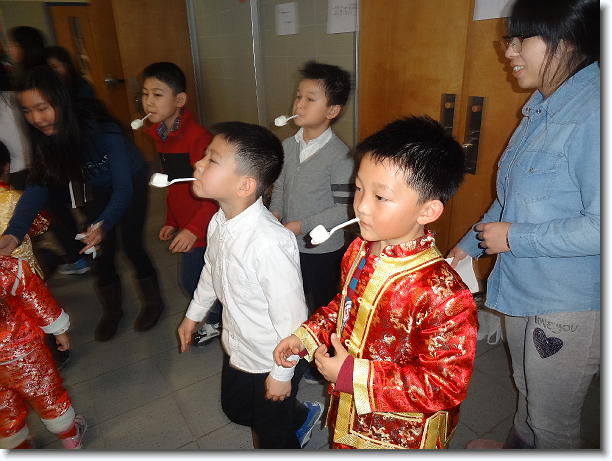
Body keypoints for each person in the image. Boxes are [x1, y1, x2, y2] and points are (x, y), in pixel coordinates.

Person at [448, 0, 599, 450]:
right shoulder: (541, 107)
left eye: (520, 39)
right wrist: (468, 246)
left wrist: (515, 237)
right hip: (524, 285)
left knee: (552, 420)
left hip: (570, 301)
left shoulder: (596, 112)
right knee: (525, 384)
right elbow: (511, 199)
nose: (509, 51)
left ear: (564, 40)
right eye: (508, 40)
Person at [274, 116, 478, 449]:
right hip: (351, 412)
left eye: (380, 197)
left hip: (400, 436)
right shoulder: (359, 250)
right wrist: (306, 335)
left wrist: (351, 374)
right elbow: (344, 307)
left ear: (427, 211)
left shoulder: (444, 294)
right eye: (358, 189)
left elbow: (445, 385)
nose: (361, 206)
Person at [177, 122, 322, 449]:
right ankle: (300, 415)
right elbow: (211, 269)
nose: (198, 163)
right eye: (205, 155)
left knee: (272, 437)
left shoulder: (269, 243)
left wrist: (281, 375)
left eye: (212, 160)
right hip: (239, 344)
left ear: (244, 185)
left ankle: (291, 422)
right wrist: (193, 314)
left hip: (273, 356)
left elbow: (293, 321)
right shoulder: (218, 221)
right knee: (237, 409)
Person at [0, 65, 166, 342]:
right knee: (100, 251)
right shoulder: (46, 139)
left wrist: (104, 223)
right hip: (98, 187)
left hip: (130, 182)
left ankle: (153, 302)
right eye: (28, 111)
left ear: (60, 101)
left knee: (132, 244)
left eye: (42, 108)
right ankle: (113, 309)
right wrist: (14, 233)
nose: (36, 118)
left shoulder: (101, 129)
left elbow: (123, 188)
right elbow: (37, 187)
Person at [269, 61, 354, 383]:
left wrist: (298, 225)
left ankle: (323, 360)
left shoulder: (340, 156)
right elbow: (279, 187)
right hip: (289, 243)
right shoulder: (287, 146)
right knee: (293, 299)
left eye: (310, 99)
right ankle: (297, 348)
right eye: (298, 97)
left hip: (322, 249)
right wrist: (276, 214)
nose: (299, 105)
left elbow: (344, 209)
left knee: (322, 306)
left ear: (332, 110)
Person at [141, 62, 221, 345]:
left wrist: (192, 230)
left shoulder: (198, 139)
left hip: (204, 225)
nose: (149, 101)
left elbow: (212, 193)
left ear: (180, 100)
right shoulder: (163, 137)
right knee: (197, 279)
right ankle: (220, 316)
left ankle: (218, 319)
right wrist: (172, 221)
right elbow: (173, 185)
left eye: (157, 94)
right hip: (188, 224)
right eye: (145, 94)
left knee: (195, 280)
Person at [0, 255, 86, 449]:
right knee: (47, 394)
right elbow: (36, 300)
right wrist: (59, 330)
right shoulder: (7, 268)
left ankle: (19, 448)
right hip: (24, 352)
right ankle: (71, 439)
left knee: (5, 411)